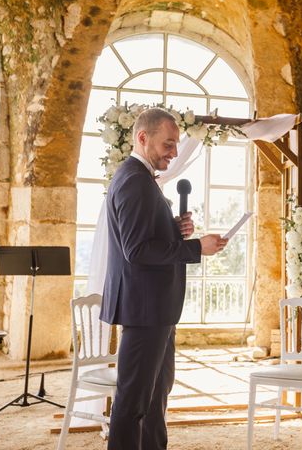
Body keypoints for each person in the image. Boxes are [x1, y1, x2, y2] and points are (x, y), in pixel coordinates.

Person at [100, 108, 227, 450]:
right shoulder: (134, 180)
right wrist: (196, 247)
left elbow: (145, 237)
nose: (174, 152)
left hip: (157, 309)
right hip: (145, 310)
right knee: (133, 403)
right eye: (168, 144)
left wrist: (173, 229)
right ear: (142, 138)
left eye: (176, 144)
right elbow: (138, 250)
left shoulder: (142, 180)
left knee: (155, 399)